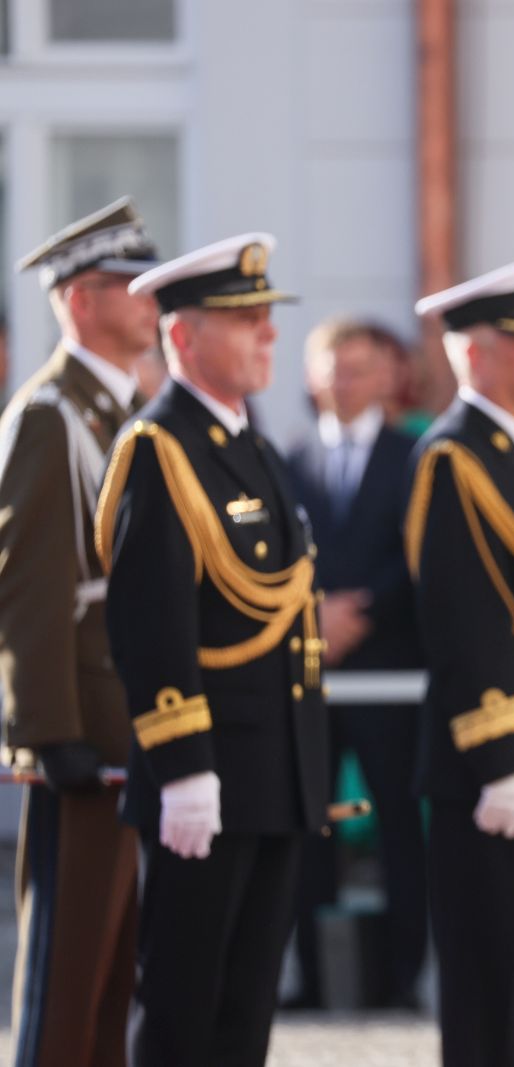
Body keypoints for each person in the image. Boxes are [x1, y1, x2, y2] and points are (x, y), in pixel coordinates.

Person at [97, 232, 330, 1067]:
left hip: (272, 776)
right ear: (184, 337)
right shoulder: (161, 451)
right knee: (182, 1011)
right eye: (245, 320)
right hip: (208, 778)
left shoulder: (248, 446)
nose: (269, 333)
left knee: (243, 1014)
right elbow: (150, 625)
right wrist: (185, 769)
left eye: (268, 317)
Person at [0, 197, 161, 1067]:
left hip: (129, 722)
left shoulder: (121, 406)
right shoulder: (49, 413)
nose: (148, 298)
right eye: (126, 283)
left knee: (111, 980)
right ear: (77, 300)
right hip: (82, 735)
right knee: (64, 982)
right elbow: (30, 585)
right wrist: (45, 729)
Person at [406, 254, 514, 1066]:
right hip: (495, 766)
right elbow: (464, 621)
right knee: (487, 984)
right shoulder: (454, 457)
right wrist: (502, 756)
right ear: (472, 352)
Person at [284, 317, 426, 1011]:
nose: (344, 381)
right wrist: (315, 614)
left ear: (385, 377)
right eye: (332, 367)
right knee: (311, 824)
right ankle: (313, 978)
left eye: (358, 367)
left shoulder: (416, 454)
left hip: (390, 672)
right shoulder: (291, 457)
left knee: (397, 823)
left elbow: (420, 551)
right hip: (311, 673)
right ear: (312, 377)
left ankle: (399, 979)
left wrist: (361, 608)